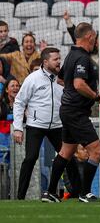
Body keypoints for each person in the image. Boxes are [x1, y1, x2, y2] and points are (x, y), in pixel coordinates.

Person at [43, 23, 100, 203]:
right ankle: (85, 193)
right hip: (76, 112)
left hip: (68, 110)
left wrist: (72, 93)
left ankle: (50, 193)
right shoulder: (83, 58)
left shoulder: (70, 56)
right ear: (89, 36)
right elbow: (78, 84)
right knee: (97, 151)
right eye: (94, 37)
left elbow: (61, 80)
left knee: (65, 152)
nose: (95, 40)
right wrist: (95, 96)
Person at [12, 47, 80, 200]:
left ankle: (77, 193)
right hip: (36, 125)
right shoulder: (33, 78)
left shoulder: (63, 78)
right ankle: (20, 197)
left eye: (59, 59)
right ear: (45, 62)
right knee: (30, 158)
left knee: (69, 157)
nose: (59, 62)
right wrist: (17, 128)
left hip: (58, 126)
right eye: (55, 59)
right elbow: (19, 102)